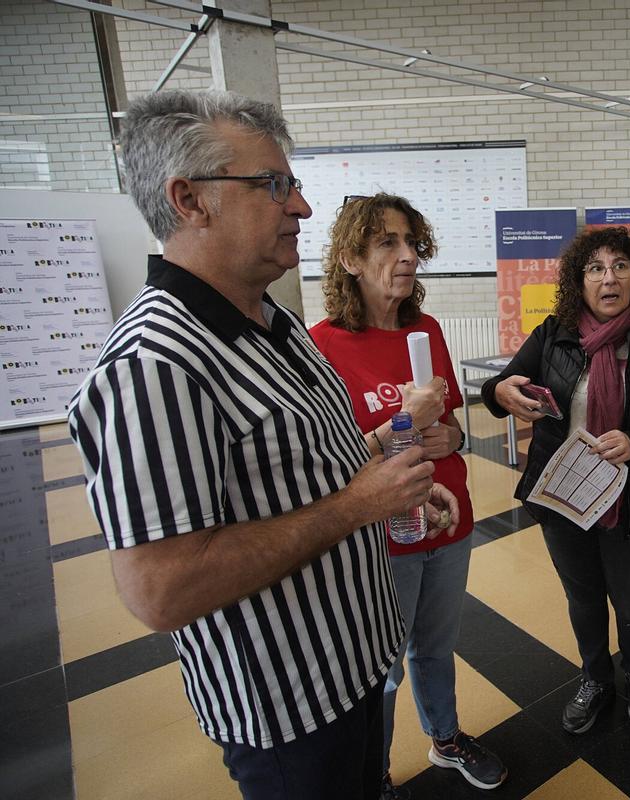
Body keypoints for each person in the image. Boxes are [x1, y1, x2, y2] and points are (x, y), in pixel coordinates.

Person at [66, 90, 459, 800]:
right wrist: (353, 506)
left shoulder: (268, 319)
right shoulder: (154, 364)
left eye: (295, 184)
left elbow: (308, 461)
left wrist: (390, 474)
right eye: (273, 185)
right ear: (190, 200)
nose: (301, 207)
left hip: (358, 663)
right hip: (290, 711)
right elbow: (162, 589)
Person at [310, 193, 506, 794]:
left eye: (411, 244)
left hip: (450, 518)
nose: (407, 258)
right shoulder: (322, 346)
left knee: (437, 646)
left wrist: (445, 432)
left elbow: (451, 430)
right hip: (383, 534)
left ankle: (444, 739)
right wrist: (403, 422)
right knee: (383, 665)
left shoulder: (427, 330)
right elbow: (331, 459)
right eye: (387, 244)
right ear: (349, 258)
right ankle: (375, 773)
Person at [482, 227, 630, 734]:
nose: (609, 278)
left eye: (620, 266)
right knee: (583, 598)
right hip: (563, 494)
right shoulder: (553, 334)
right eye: (595, 268)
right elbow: (500, 387)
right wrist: (499, 392)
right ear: (580, 280)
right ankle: (596, 677)